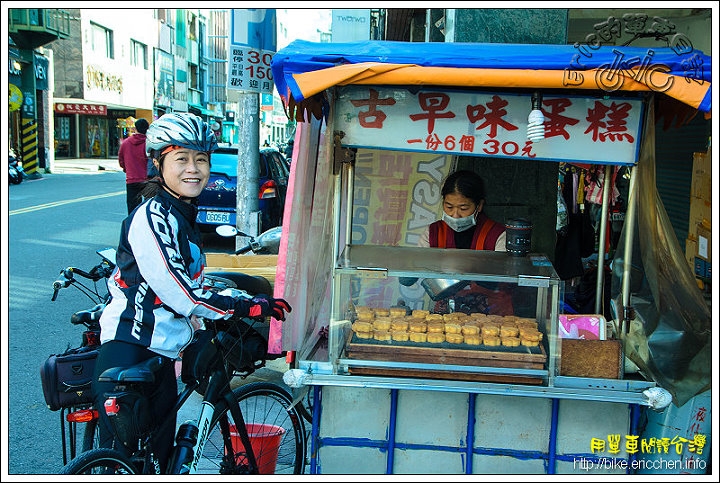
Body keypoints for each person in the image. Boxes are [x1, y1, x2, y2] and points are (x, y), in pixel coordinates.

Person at [92, 112, 292, 472]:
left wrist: (246, 299)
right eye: (181, 158)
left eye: (201, 159)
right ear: (158, 162)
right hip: (132, 347)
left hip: (162, 351)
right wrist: (243, 308)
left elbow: (194, 283)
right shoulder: (153, 215)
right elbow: (182, 294)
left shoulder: (180, 213)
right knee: (122, 466)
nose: (193, 169)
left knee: (158, 464)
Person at [417, 169, 512, 315]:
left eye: (463, 208)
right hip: (446, 314)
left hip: (491, 314)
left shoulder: (498, 234)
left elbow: (505, 277)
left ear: (479, 206)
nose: (455, 214)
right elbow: (418, 265)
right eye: (449, 207)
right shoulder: (433, 232)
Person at [118, 118, 150, 214]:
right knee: (149, 207)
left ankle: (132, 227)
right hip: (147, 180)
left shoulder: (126, 143)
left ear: (135, 128)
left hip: (132, 179)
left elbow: (121, 161)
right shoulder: (149, 143)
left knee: (132, 208)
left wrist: (127, 169)